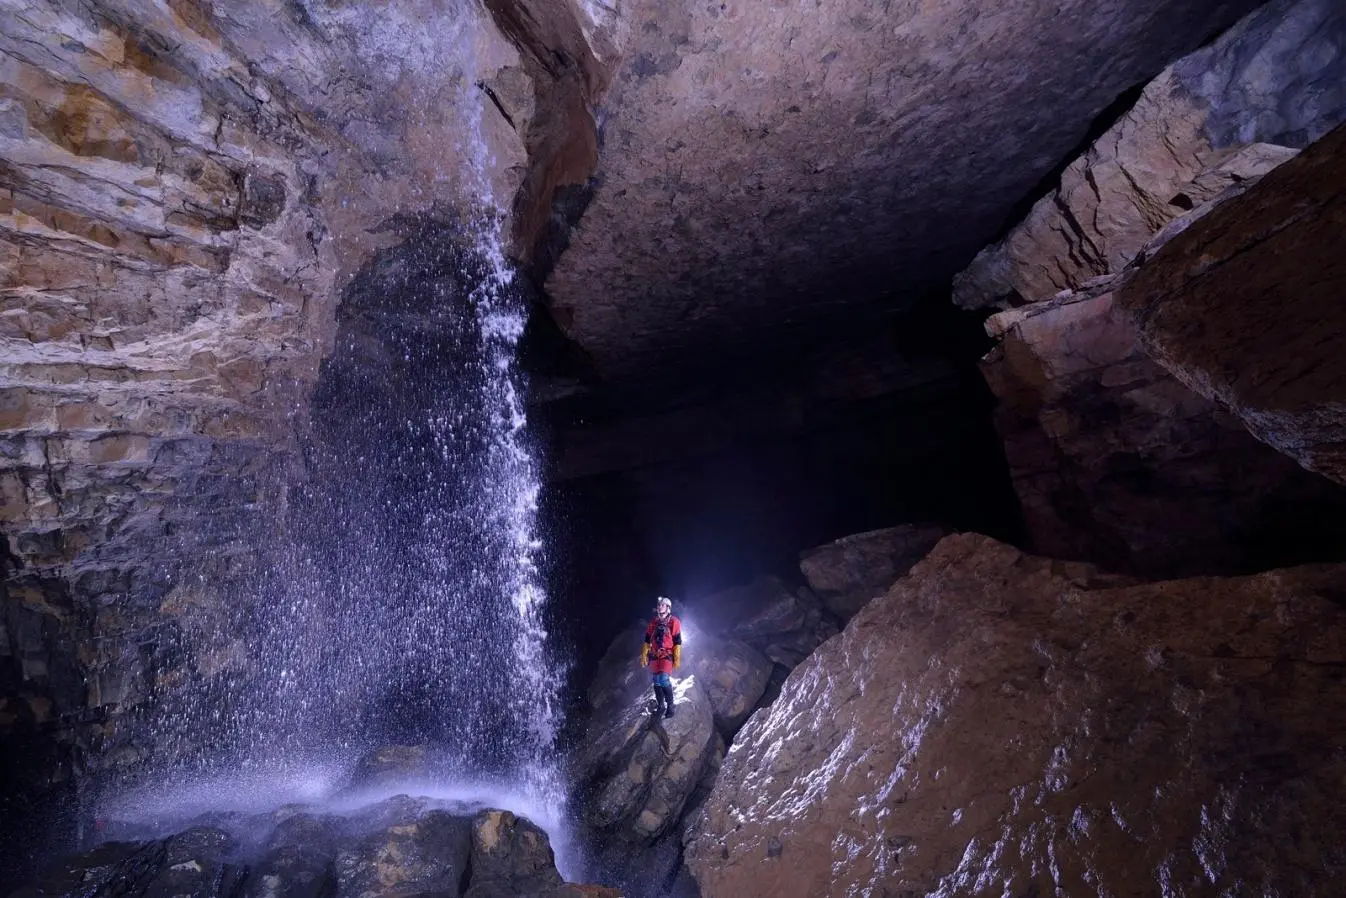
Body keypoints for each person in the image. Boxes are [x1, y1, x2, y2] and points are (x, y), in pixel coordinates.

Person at [639, 596, 682, 718]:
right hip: (654, 655)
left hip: (666, 654)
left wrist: (677, 657)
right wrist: (644, 654)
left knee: (663, 679)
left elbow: (677, 641)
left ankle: (670, 705)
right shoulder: (653, 622)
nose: (659, 606)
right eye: (659, 605)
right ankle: (661, 705)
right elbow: (647, 640)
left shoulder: (674, 621)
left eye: (662, 604)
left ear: (668, 608)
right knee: (656, 682)